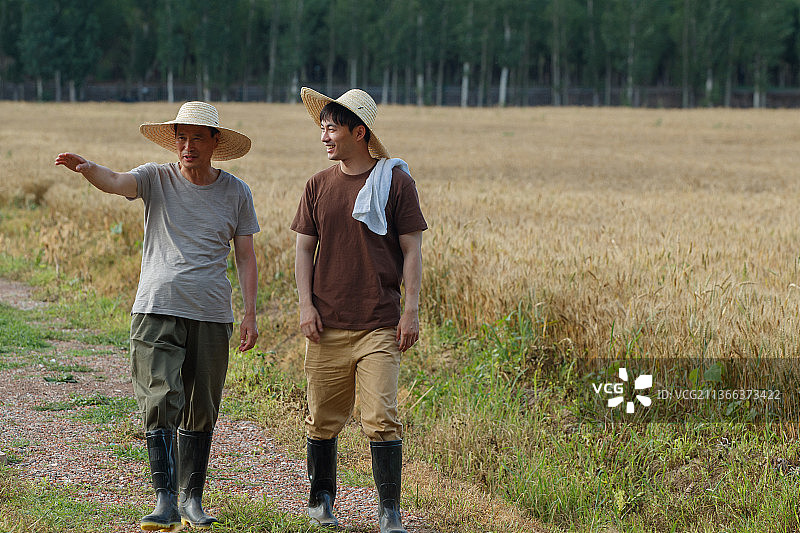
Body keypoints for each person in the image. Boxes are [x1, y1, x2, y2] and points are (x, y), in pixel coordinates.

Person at [55, 101, 260, 531]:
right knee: (160, 398)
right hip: (155, 308)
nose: (187, 146)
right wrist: (88, 168)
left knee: (201, 405)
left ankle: (192, 499)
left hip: (211, 312)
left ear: (215, 142)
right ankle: (165, 499)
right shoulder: (155, 178)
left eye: (197, 137)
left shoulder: (236, 192)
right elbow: (116, 181)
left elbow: (245, 257)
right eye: (181, 138)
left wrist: (250, 313)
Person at [291, 87, 427, 533]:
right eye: (323, 129)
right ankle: (321, 499)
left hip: (378, 325)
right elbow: (303, 249)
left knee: (381, 418)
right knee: (322, 418)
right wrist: (305, 305)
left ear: (359, 132)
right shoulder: (318, 185)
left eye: (332, 129)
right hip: (326, 324)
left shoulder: (396, 183)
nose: (324, 137)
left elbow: (412, 250)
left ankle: (389, 513)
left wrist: (411, 311)